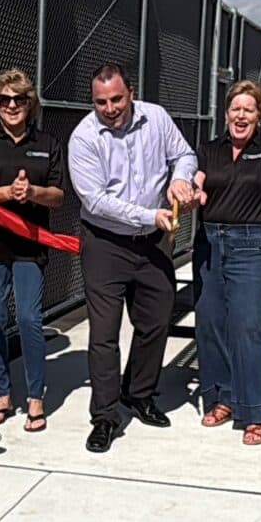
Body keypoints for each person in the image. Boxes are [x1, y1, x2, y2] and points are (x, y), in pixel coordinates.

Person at [68, 63, 198, 453]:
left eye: (117, 99)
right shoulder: (84, 137)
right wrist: (150, 215)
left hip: (154, 243)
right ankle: (105, 416)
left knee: (156, 322)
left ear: (131, 92)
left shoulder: (155, 117)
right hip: (106, 242)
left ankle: (138, 393)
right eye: (100, 102)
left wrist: (181, 177)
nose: (109, 108)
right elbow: (96, 200)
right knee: (104, 335)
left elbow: (184, 153)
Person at [192, 59, 261, 445]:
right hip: (209, 242)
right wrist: (195, 192)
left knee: (247, 326)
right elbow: (198, 179)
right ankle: (221, 397)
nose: (241, 116)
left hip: (251, 244)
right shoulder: (209, 150)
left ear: (258, 117)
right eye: (235, 109)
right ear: (226, 114)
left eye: (249, 110)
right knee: (209, 321)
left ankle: (253, 411)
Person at [0, 68, 66, 433]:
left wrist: (32, 193)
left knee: (28, 319)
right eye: (4, 100)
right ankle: (2, 394)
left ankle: (35, 397)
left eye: (19, 99)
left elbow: (58, 195)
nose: (11, 106)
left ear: (29, 103)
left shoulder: (49, 143)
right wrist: (6, 193)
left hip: (29, 246)